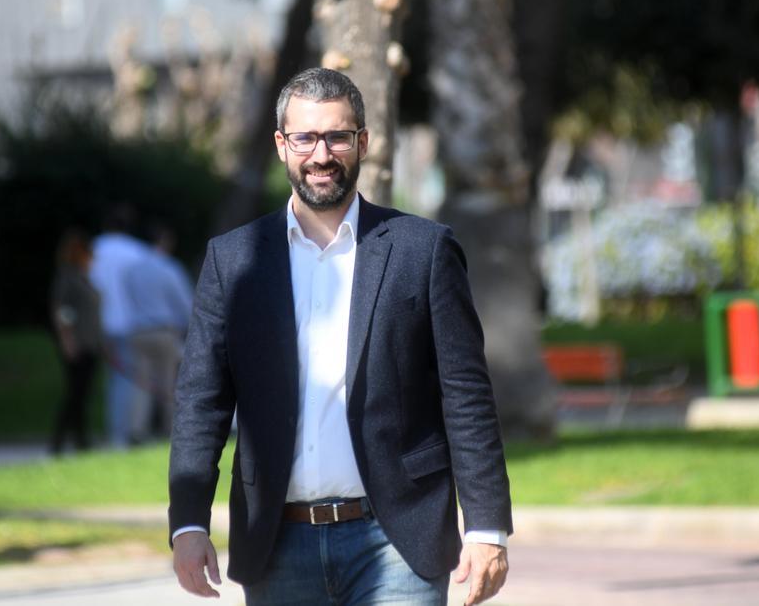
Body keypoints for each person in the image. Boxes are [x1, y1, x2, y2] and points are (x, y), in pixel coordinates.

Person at [169, 68, 512, 605]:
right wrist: (188, 522)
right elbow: (201, 402)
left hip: (398, 539)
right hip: (278, 545)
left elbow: (465, 396)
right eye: (305, 137)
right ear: (282, 145)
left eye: (338, 136)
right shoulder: (233, 260)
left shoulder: (423, 251)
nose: (321, 154)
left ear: (364, 143)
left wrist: (487, 526)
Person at [121, 221, 195, 439]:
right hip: (164, 330)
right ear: (164, 241)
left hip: (138, 331)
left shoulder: (133, 270)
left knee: (141, 383)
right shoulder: (169, 268)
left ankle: (137, 429)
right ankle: (170, 429)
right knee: (168, 382)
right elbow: (184, 302)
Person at [90, 204, 151, 447]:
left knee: (111, 379)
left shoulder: (94, 249)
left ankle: (115, 431)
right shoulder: (137, 251)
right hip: (129, 322)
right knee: (126, 379)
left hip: (100, 323)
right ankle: (122, 434)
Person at [48, 229, 102, 455]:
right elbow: (61, 311)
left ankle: (80, 438)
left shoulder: (83, 277)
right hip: (77, 345)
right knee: (75, 393)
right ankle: (61, 440)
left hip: (90, 343)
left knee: (82, 393)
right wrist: (67, 341)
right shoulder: (68, 277)